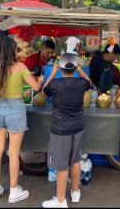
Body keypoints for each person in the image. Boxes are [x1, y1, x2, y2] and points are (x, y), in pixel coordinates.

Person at [0, 36, 44, 203]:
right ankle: (14, 191)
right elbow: (36, 87)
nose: (18, 52)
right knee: (14, 152)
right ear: (12, 51)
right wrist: (42, 80)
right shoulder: (20, 67)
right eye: (16, 49)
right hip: (16, 109)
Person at [41, 53, 91, 208]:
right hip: (78, 127)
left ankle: (61, 201)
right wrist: (80, 69)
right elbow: (90, 82)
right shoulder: (81, 82)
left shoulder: (55, 84)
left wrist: (54, 73)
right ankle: (75, 193)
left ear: (61, 67)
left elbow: (43, 90)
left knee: (62, 165)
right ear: (74, 68)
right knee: (75, 161)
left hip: (60, 129)